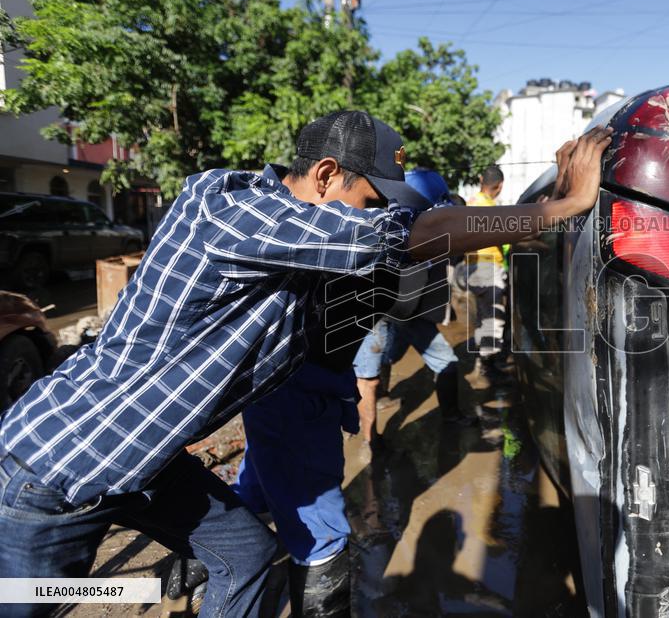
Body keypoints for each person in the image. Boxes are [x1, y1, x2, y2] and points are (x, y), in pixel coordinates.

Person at [0, 106, 612, 617]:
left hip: (147, 463)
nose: (376, 216)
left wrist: (556, 206)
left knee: (246, 557)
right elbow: (414, 236)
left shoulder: (293, 245)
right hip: (61, 466)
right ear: (325, 175)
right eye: (370, 201)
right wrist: (561, 207)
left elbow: (416, 252)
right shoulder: (235, 216)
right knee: (38, 600)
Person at [354, 169, 471, 454]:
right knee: (367, 379)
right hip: (376, 314)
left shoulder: (431, 229)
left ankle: (451, 415)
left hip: (410, 314)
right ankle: (371, 439)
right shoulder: (382, 228)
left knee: (447, 363)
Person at [461, 165, 512, 383]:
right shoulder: (491, 208)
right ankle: (488, 369)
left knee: (483, 317)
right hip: (489, 268)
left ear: (482, 180)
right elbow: (507, 239)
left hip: (472, 267)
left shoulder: (471, 202)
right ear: (499, 186)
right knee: (493, 319)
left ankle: (482, 362)